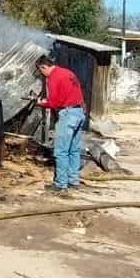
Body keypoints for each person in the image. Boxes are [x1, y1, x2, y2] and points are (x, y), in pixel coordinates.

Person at [35, 54, 87, 192]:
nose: (42, 74)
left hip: (67, 114)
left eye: (41, 71)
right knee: (74, 150)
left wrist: (42, 103)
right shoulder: (68, 72)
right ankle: (73, 180)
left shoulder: (53, 77)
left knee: (61, 151)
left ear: (43, 67)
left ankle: (60, 184)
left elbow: (55, 102)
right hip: (79, 112)